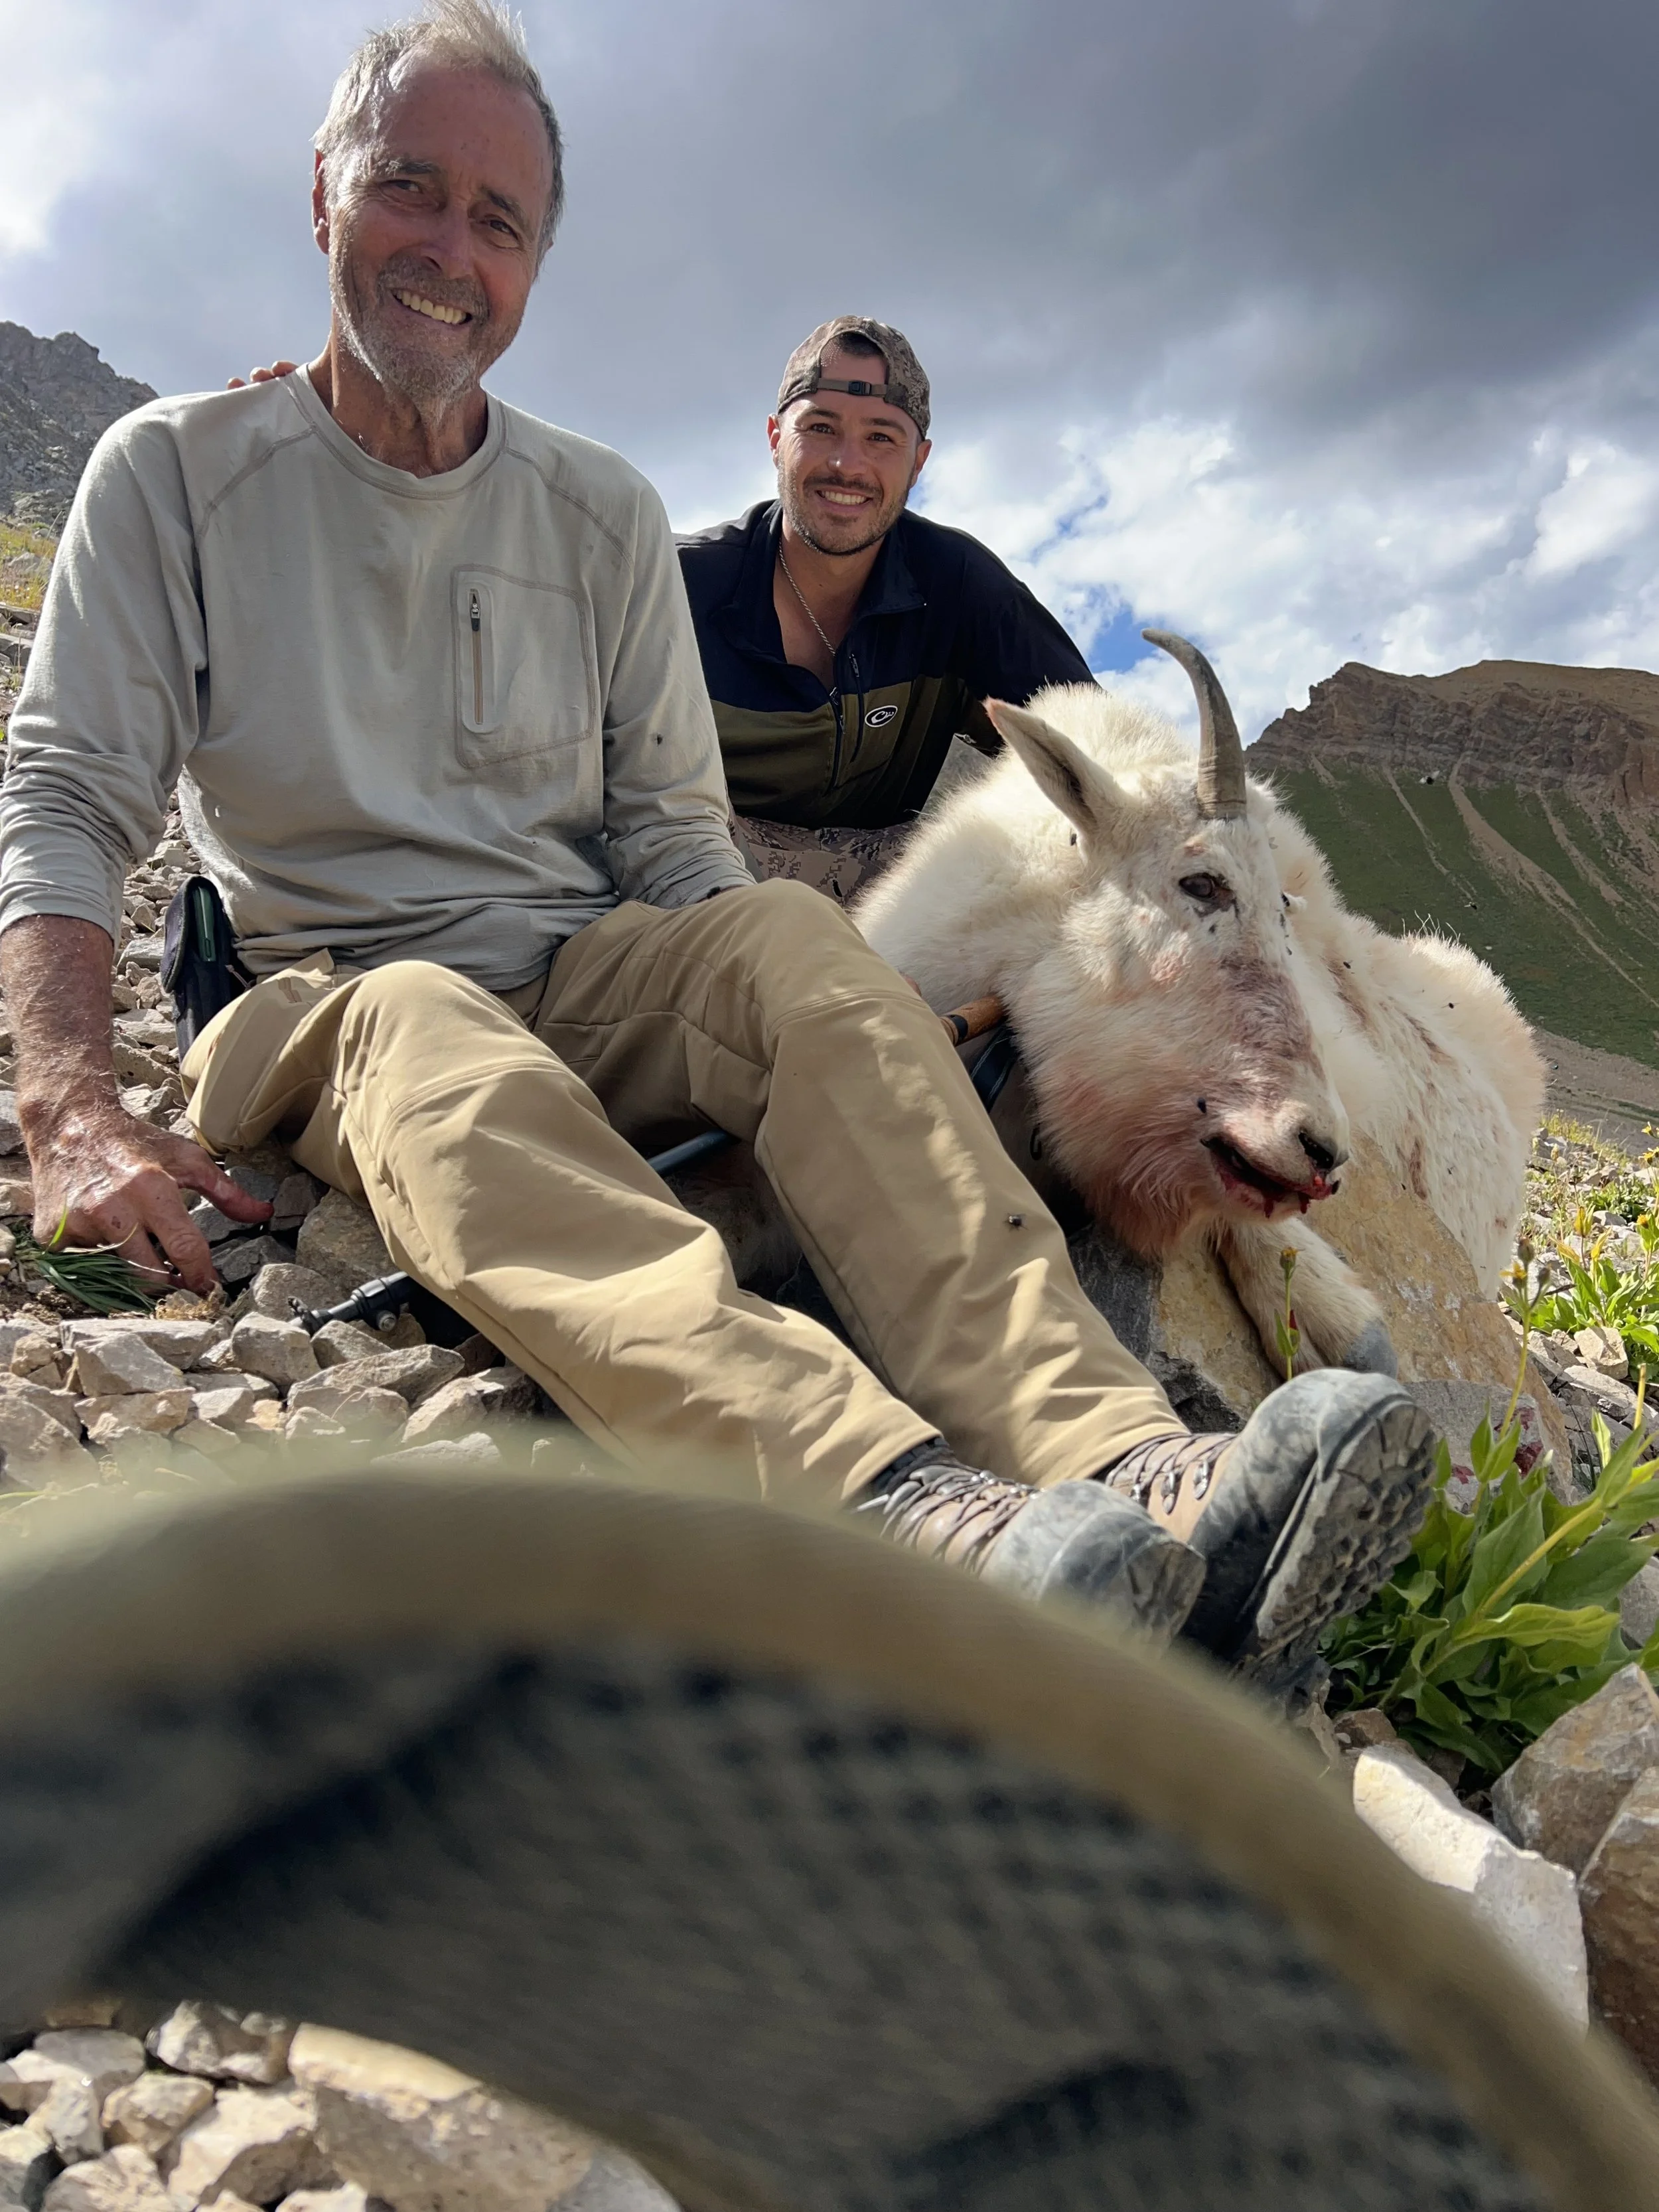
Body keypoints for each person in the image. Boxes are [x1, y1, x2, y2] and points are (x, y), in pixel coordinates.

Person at [0, 0, 1435, 1684]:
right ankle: (903, 1496)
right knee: (432, 1026)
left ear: (537, 264)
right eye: (408, 188)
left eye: (501, 220)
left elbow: (679, 847)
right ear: (322, 195)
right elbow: (68, 794)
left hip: (582, 963)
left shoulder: (596, 513)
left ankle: (1129, 1465)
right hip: (322, 988)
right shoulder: (173, 475)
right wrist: (70, 1106)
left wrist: (839, 1014)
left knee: (782, 945)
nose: (451, 251)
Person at [677, 315, 1096, 903]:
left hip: (888, 898)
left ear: (919, 461)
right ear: (775, 438)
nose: (848, 465)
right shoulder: (678, 586)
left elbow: (1094, 753)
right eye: (821, 428)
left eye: (881, 437)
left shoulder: (960, 586)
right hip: (700, 883)